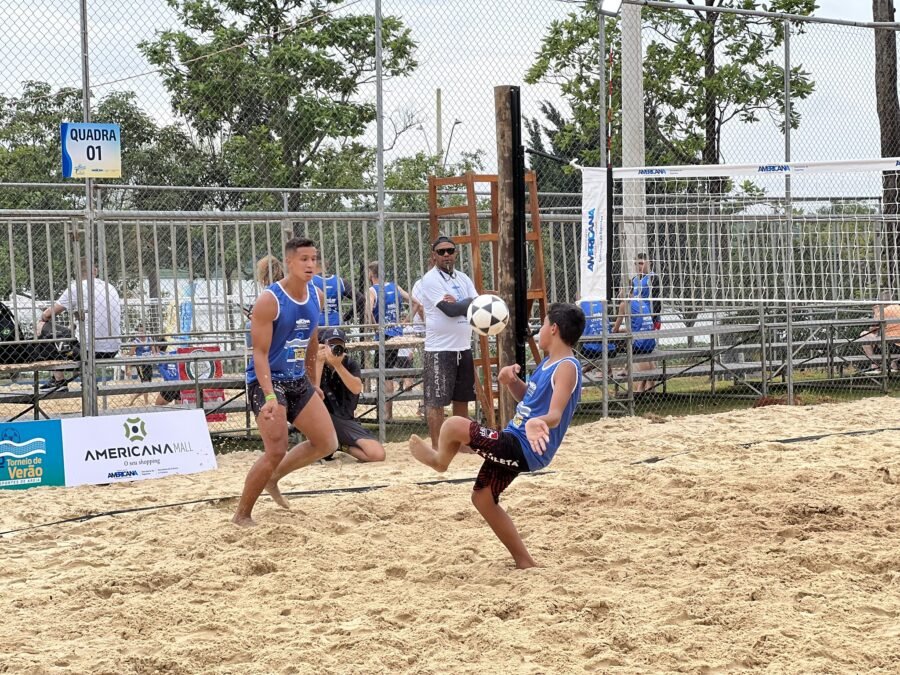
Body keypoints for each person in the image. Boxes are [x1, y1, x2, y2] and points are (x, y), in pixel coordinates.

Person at [409, 302, 586, 569]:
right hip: (517, 438)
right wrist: (511, 382)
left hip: (525, 446)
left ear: (554, 328)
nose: (539, 329)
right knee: (482, 498)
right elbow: (530, 400)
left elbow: (555, 414)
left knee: (454, 425)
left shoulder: (567, 367)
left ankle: (440, 461)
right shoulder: (549, 362)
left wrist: (539, 422)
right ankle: (524, 561)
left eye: (543, 323)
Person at [232, 237, 338, 526]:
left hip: (296, 379)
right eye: (304, 259)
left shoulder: (315, 295)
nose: (310, 264)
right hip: (268, 380)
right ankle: (242, 515)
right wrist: (268, 396)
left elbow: (313, 341)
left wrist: (313, 380)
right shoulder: (270, 299)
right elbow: (260, 354)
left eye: (314, 258)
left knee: (327, 442)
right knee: (276, 449)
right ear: (289, 262)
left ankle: (274, 477)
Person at [417, 235, 479, 447]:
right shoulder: (430, 279)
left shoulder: (463, 278)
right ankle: (437, 445)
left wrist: (465, 302)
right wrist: (467, 303)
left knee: (461, 399)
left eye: (450, 251)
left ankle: (459, 444)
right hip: (439, 349)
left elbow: (478, 305)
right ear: (434, 255)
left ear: (455, 253)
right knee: (436, 402)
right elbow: (450, 310)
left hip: (463, 347)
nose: (446, 255)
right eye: (441, 251)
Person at [37, 258, 122, 390]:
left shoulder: (76, 288)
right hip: (112, 349)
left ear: (76, 273)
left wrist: (42, 317)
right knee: (71, 333)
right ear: (95, 271)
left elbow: (49, 314)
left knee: (42, 326)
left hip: (88, 350)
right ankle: (87, 380)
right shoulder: (109, 287)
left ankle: (59, 380)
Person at [316, 327, 386, 462]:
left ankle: (340, 446)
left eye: (338, 345)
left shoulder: (349, 364)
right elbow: (313, 394)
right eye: (330, 345)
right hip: (321, 419)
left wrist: (338, 365)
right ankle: (330, 444)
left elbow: (356, 388)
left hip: (344, 420)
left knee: (376, 454)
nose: (334, 349)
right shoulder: (315, 362)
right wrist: (319, 361)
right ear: (323, 345)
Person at [366, 261, 410, 422]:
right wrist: (405, 321)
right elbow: (416, 302)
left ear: (371, 274)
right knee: (388, 372)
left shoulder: (373, 290)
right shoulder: (394, 287)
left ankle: (386, 415)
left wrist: (373, 326)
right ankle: (387, 414)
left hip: (383, 335)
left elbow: (369, 310)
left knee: (384, 375)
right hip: (396, 334)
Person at [614, 252, 662, 331]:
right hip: (635, 316)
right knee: (621, 334)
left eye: (641, 263)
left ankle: (615, 330)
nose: (638, 266)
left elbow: (657, 303)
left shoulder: (652, 278)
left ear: (649, 263)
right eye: (635, 264)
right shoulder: (634, 280)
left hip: (649, 316)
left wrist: (652, 317)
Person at [859, 291, 900, 373]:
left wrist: (876, 312)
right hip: (896, 343)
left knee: (864, 334)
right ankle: (892, 363)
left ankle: (874, 364)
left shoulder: (883, 311)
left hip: (891, 345)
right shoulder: (898, 307)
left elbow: (873, 330)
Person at [312, 261, 351, 328]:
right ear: (326, 266)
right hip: (335, 322)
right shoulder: (339, 281)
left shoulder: (310, 281)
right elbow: (361, 299)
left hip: (317, 323)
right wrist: (347, 316)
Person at [127, 324, 154, 406]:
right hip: (141, 365)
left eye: (143, 331)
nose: (142, 333)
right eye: (140, 331)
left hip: (149, 364)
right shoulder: (136, 342)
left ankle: (133, 398)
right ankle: (146, 403)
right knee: (145, 383)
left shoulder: (149, 339)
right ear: (138, 332)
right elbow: (130, 355)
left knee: (147, 385)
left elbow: (154, 352)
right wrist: (129, 368)